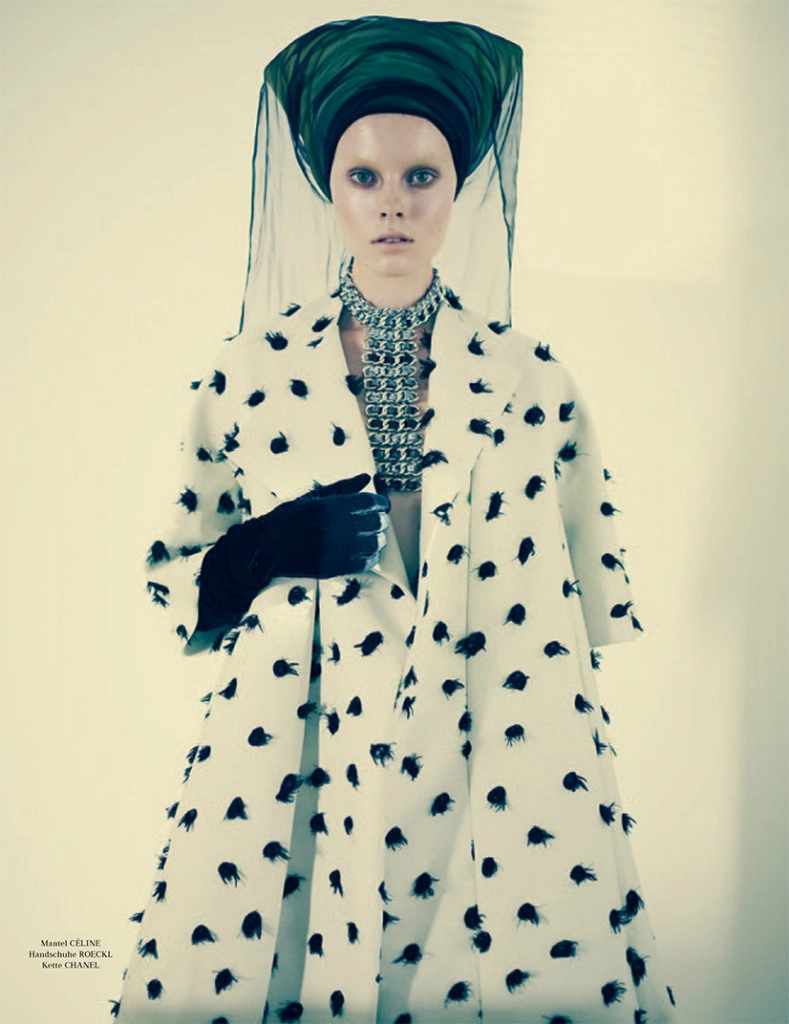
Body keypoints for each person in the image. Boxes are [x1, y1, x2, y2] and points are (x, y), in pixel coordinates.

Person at [113, 15, 679, 1024]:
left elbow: (584, 604)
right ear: (328, 189)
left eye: (422, 176)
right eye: (363, 176)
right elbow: (172, 581)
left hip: (498, 745)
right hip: (293, 752)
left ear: (457, 187)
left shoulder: (530, 380)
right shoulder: (248, 375)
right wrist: (264, 545)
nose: (392, 205)